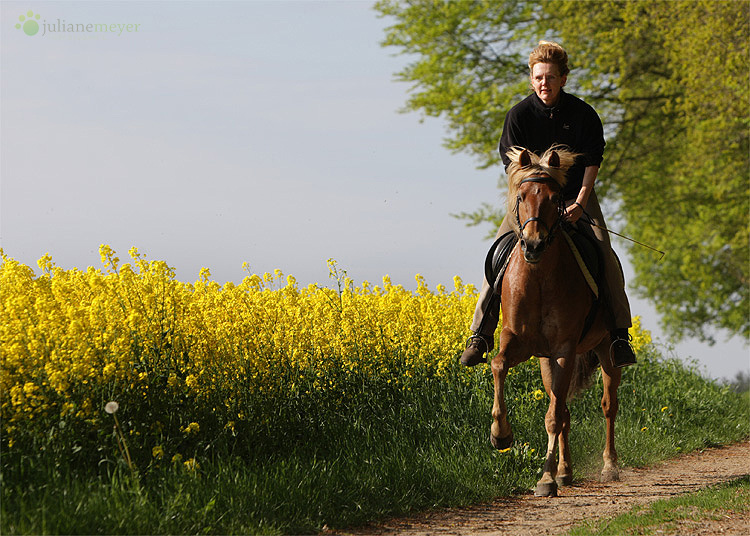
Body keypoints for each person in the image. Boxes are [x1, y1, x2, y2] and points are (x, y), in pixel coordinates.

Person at [460, 40, 637, 368]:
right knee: (497, 253)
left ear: (563, 79)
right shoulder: (518, 116)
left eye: (551, 77)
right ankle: (480, 334)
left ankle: (618, 335)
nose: (545, 83)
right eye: (539, 77)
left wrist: (581, 202)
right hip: (528, 203)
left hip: (574, 197)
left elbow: (593, 159)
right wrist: (528, 202)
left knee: (603, 252)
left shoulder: (583, 114)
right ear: (532, 79)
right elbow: (514, 169)